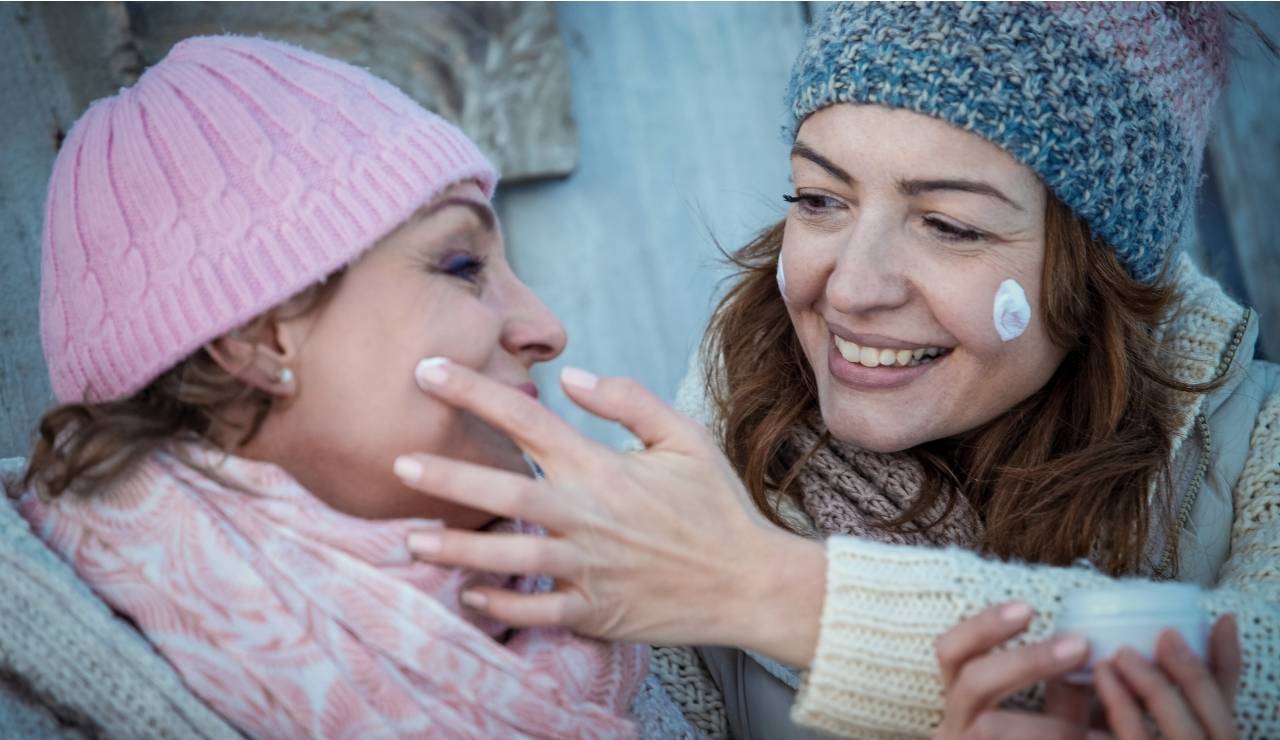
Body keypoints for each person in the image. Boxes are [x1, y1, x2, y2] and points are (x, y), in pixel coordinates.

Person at [394, 3, 1279, 738]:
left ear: (1095, 271)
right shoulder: (718, 440)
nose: (850, 289)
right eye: (821, 200)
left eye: (951, 225)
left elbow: (1258, 671)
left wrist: (758, 586)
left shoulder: (1255, 445)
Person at [12, 35, 686, 739]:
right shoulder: (36, 693)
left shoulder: (616, 608)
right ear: (258, 339)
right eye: (461, 264)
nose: (545, 328)